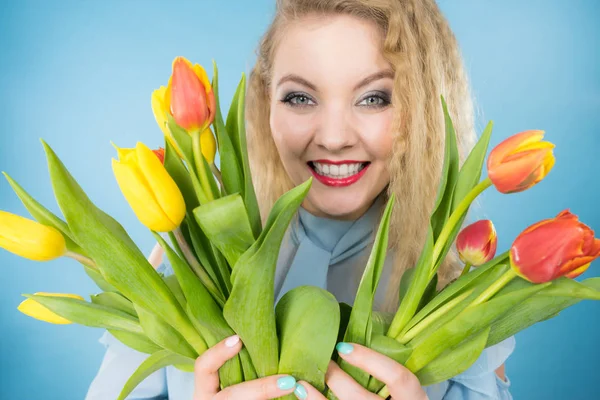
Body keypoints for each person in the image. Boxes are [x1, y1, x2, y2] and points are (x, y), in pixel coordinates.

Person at [86, 0, 515, 399]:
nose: (333, 138)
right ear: (264, 104)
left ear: (423, 111)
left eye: (374, 98)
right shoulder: (188, 260)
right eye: (300, 97)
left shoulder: (462, 294)